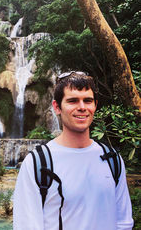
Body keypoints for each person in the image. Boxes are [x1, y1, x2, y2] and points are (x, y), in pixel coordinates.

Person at [13, 71, 133, 230]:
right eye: (73, 101)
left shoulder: (113, 160)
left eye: (88, 101)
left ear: (95, 106)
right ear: (57, 107)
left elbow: (124, 223)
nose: (82, 107)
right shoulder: (37, 164)